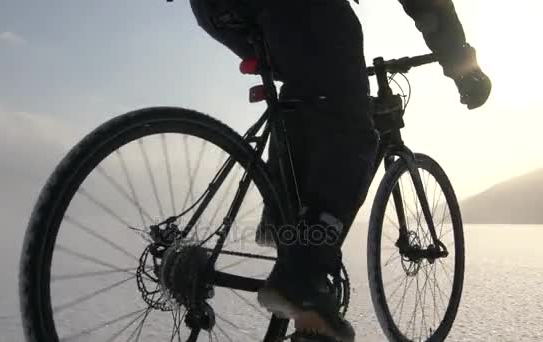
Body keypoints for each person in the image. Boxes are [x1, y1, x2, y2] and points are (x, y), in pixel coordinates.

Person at [189, 0, 491, 341]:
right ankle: (303, 276)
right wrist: (461, 64)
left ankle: (290, 244)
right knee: (352, 125)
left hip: (214, 10)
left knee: (304, 97)